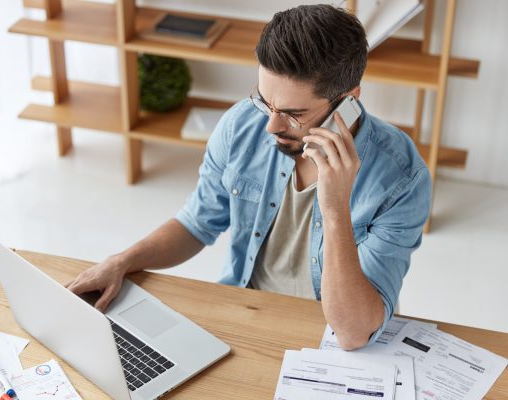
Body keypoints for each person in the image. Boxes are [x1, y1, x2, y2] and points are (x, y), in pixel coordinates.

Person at [66, 4, 431, 350]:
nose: (270, 125)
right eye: (265, 101)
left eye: (292, 113)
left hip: (332, 341)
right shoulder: (243, 124)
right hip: (245, 313)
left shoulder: (401, 177)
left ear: (349, 99)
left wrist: (335, 208)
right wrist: (122, 261)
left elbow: (353, 333)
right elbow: (197, 223)